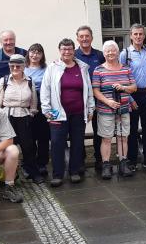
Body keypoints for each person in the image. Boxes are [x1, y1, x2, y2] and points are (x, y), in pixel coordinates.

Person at [41, 39, 94, 186]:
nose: (67, 52)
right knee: (57, 143)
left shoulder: (82, 67)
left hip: (78, 112)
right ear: (59, 51)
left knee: (77, 142)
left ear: (73, 50)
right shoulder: (52, 68)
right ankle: (58, 174)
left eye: (70, 49)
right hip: (57, 113)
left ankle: (74, 172)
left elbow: (88, 90)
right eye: (64, 49)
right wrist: (46, 110)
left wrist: (90, 108)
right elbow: (45, 90)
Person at [92, 41, 137, 179]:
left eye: (113, 50)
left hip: (123, 109)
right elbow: (95, 90)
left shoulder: (126, 69)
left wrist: (123, 88)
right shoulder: (98, 70)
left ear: (118, 52)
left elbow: (133, 87)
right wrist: (108, 102)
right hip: (105, 110)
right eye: (107, 51)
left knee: (123, 137)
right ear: (104, 53)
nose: (111, 53)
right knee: (106, 138)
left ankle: (123, 163)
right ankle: (106, 165)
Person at [0, 54, 39, 184]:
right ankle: (10, 175)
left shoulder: (30, 81)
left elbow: (33, 101)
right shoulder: (4, 81)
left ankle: (33, 172)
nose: (15, 68)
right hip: (7, 117)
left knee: (28, 146)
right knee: (8, 147)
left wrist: (31, 113)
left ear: (24, 66)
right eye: (12, 65)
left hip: (24, 116)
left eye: (18, 65)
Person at [119, 24, 146, 170]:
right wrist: (129, 98)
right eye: (135, 34)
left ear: (144, 35)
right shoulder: (125, 54)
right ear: (130, 35)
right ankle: (132, 160)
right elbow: (121, 76)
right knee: (132, 129)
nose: (138, 37)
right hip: (132, 95)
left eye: (141, 34)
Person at [74, 26, 105, 172]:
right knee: (78, 132)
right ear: (77, 38)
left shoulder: (99, 55)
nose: (84, 39)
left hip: (99, 98)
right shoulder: (73, 56)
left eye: (87, 36)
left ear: (92, 38)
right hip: (80, 99)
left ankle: (99, 159)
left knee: (98, 130)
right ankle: (80, 161)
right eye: (81, 36)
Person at [25, 43, 50, 178]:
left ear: (42, 55)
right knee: (29, 137)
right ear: (28, 53)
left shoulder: (47, 69)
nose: (35, 55)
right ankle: (30, 165)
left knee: (43, 137)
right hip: (27, 105)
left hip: (43, 104)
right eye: (32, 52)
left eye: (38, 53)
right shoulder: (23, 69)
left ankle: (42, 164)